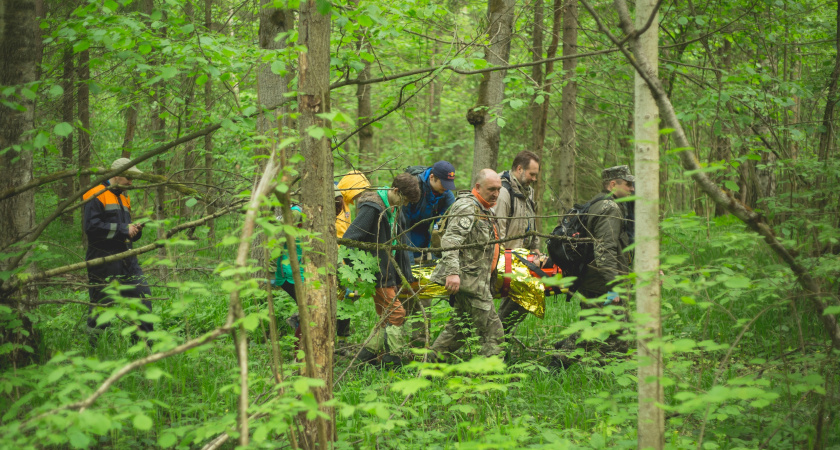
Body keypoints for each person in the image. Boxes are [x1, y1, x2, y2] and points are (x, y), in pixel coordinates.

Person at [553, 165, 635, 365]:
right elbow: (604, 250)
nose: (632, 189)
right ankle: (562, 363)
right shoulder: (611, 208)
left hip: (592, 278)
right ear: (613, 184)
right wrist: (614, 287)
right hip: (602, 281)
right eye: (628, 184)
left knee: (594, 326)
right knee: (616, 333)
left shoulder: (599, 203)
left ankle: (570, 361)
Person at [343, 173, 422, 367]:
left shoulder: (394, 207)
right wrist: (358, 271)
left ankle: (366, 357)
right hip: (377, 274)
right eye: (403, 199)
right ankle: (392, 360)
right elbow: (348, 240)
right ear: (395, 191)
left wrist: (404, 274)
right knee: (397, 314)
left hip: (390, 273)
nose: (404, 204)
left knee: (385, 316)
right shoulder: (373, 208)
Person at [428, 169, 504, 360]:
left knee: (459, 330)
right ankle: (492, 380)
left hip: (477, 281)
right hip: (469, 283)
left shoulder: (486, 209)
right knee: (493, 333)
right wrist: (453, 273)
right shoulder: (467, 207)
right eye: (491, 189)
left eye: (499, 189)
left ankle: (429, 366)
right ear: (478, 187)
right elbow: (451, 241)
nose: (496, 193)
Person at [83, 158, 153, 346]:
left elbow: (124, 229)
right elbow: (91, 227)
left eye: (132, 178)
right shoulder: (95, 193)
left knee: (143, 298)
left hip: (128, 259)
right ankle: (92, 348)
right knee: (102, 308)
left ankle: (144, 349)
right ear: (115, 175)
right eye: (128, 177)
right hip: (103, 260)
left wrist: (134, 230)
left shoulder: (124, 196)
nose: (131, 182)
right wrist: (123, 229)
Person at [398, 160, 457, 345]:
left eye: (448, 186)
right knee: (403, 296)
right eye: (443, 185)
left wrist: (443, 257)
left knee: (424, 298)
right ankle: (392, 344)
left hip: (425, 248)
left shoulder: (446, 195)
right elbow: (400, 227)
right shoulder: (412, 186)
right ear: (432, 177)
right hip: (402, 246)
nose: (445, 190)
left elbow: (450, 226)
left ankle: (420, 343)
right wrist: (407, 263)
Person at [495, 151, 542, 337]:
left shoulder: (526, 190)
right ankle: (496, 339)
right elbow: (498, 230)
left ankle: (500, 336)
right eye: (532, 174)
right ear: (519, 169)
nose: (535, 179)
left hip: (522, 257)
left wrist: (536, 246)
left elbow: (531, 221)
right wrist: (506, 259)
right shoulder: (503, 191)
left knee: (526, 299)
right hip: (506, 259)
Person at [335, 170, 371, 239]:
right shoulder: (338, 202)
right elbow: (339, 231)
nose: (360, 195)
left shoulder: (346, 203)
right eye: (359, 191)